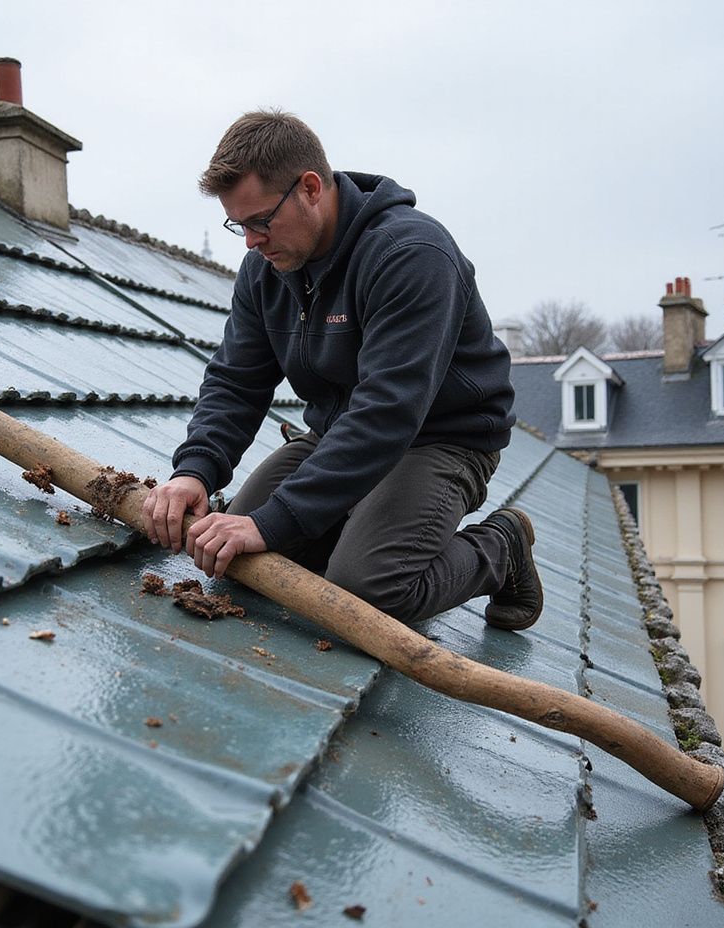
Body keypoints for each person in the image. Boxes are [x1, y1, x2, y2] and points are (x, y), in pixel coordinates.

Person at [141, 110, 542, 630]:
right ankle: (351, 520)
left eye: (261, 221)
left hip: (440, 438)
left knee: (364, 591)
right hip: (336, 434)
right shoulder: (265, 270)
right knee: (235, 560)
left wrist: (275, 520)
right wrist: (194, 470)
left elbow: (388, 412)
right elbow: (236, 382)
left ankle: (501, 547)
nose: (251, 242)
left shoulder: (410, 255)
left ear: (310, 188)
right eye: (238, 226)